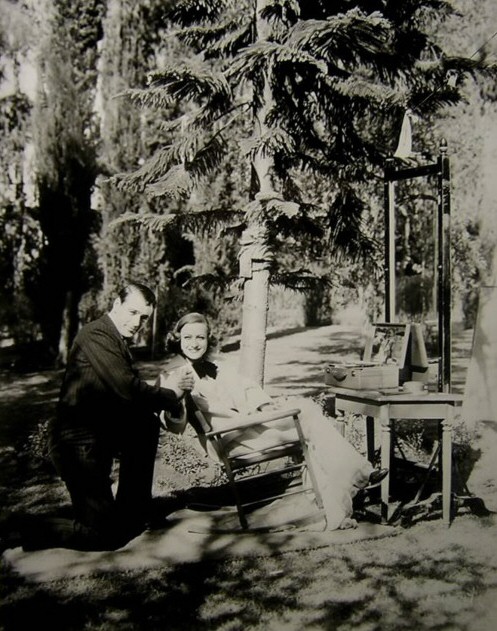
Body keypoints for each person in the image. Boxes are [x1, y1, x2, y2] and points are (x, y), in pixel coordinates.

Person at [2, 282, 194, 552]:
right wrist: (170, 393)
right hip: (76, 446)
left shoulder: (116, 341)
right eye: (131, 312)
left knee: (144, 424)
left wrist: (169, 403)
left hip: (99, 438)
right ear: (116, 305)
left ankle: (134, 511)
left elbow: (128, 399)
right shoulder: (96, 335)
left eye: (143, 317)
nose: (136, 322)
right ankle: (20, 526)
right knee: (103, 536)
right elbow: (128, 390)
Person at [157, 312, 388, 530]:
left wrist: (266, 405)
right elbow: (174, 424)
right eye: (188, 337)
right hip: (231, 439)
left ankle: (337, 502)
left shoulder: (216, 368)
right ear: (178, 340)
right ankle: (358, 473)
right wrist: (178, 394)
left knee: (309, 427)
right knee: (307, 413)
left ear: (209, 340)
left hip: (246, 429)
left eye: (200, 337)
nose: (194, 343)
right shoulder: (173, 375)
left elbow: (246, 388)